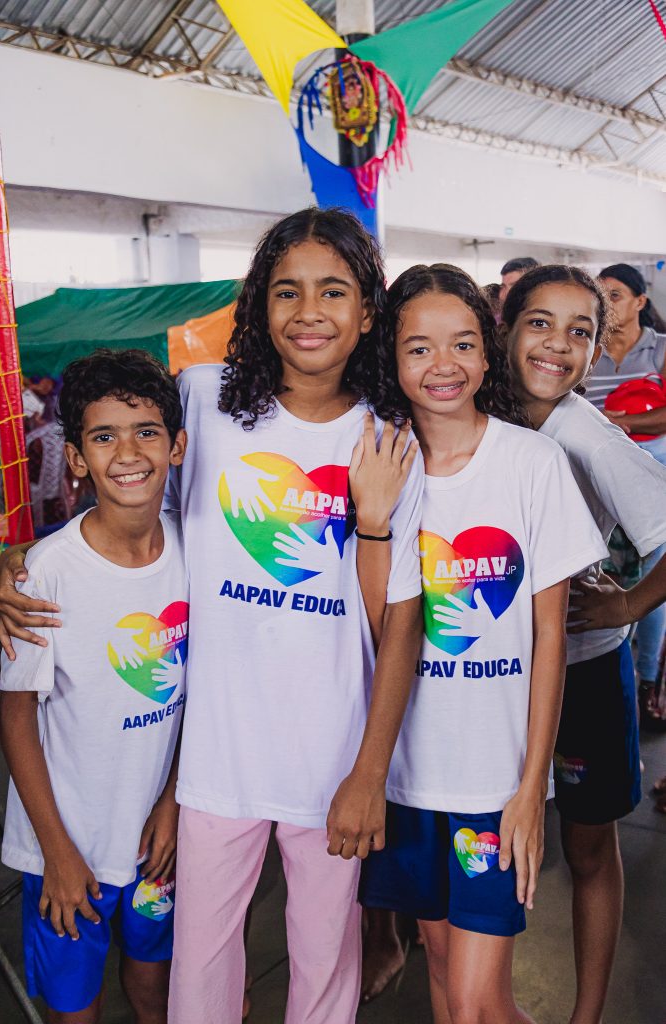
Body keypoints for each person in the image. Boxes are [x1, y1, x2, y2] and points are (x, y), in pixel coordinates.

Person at [0, 208, 425, 1024]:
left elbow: (401, 621)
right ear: (258, 305)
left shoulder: (387, 435)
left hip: (332, 759)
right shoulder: (204, 398)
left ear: (369, 311)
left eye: (333, 291)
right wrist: (26, 558)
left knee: (324, 966)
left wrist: (371, 772)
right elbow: (132, 498)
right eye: (286, 291)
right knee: (199, 972)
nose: (308, 312)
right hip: (212, 758)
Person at [357, 263, 605, 1024]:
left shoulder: (531, 464)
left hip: (493, 785)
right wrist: (373, 518)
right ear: (391, 356)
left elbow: (550, 639)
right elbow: (381, 627)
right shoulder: (381, 464)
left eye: (462, 343)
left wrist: (530, 788)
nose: (444, 365)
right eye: (419, 348)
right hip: (408, 782)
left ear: (487, 351)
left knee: (472, 1001)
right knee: (445, 977)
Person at [0, 349, 189, 1024]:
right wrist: (56, 852)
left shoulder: (192, 549)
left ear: (176, 446)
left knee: (155, 991)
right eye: (104, 436)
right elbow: (17, 719)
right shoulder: (48, 574)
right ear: (76, 458)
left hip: (153, 841)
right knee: (74, 1009)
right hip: (66, 845)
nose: (128, 453)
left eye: (146, 432)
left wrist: (171, 802)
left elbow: (201, 694)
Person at [502, 264, 666, 1024]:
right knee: (484, 841)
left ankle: (587, 1014)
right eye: (539, 323)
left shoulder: (587, 437)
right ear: (506, 328)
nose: (556, 345)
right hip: (492, 675)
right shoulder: (473, 411)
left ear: (598, 351)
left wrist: (627, 602)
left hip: (582, 674)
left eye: (579, 331)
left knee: (589, 846)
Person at [591, 263, 666, 727]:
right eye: (602, 295)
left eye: (615, 295)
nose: (608, 304)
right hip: (599, 474)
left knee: (652, 572)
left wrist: (620, 424)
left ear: (640, 301)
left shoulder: (659, 349)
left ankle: (647, 679)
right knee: (604, 575)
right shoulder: (590, 349)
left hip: (653, 468)